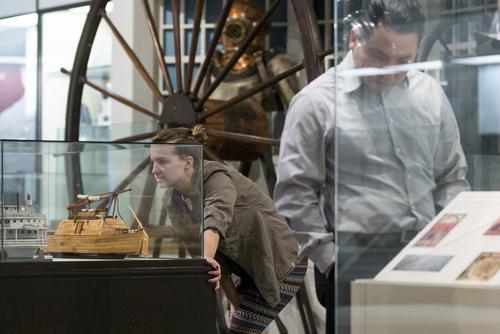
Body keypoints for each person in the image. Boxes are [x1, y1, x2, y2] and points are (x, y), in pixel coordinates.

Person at [273, 0, 470, 333]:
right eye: (380, 56)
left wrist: (452, 242)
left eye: (403, 61)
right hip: (355, 259)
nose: (390, 71)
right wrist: (331, 262)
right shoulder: (316, 102)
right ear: (353, 39)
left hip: (429, 253)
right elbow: (295, 193)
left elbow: (451, 177)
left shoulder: (430, 94)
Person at [150, 126, 307, 333]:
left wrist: (204, 261)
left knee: (241, 329)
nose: (154, 169)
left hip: (282, 262)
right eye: (153, 161)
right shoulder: (173, 199)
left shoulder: (215, 177)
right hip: (249, 268)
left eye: (162, 161)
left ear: (188, 161)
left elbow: (215, 220)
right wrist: (233, 298)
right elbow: (206, 252)